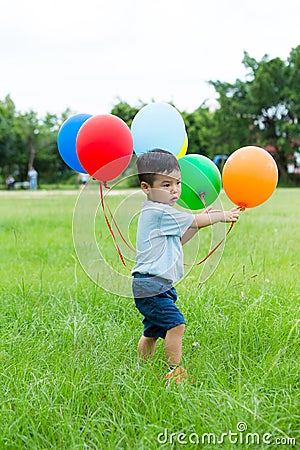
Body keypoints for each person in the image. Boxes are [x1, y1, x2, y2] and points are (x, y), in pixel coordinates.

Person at [132, 149, 240, 386]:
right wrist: (222, 215)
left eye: (177, 183)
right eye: (166, 184)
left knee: (151, 332)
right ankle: (175, 371)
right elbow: (193, 220)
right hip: (152, 284)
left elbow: (179, 238)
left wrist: (200, 221)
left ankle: (140, 370)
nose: (174, 190)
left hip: (152, 284)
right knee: (176, 324)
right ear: (146, 188)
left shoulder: (158, 213)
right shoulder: (159, 211)